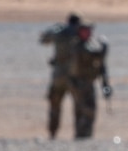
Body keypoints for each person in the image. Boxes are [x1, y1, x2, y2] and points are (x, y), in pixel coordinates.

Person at [40, 11, 83, 139]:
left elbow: (44, 39)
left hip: (58, 76)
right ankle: (79, 134)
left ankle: (53, 133)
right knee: (79, 105)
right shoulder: (78, 33)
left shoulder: (60, 32)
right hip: (74, 76)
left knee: (55, 106)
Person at [67, 23, 110, 140]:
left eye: (89, 31)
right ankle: (83, 135)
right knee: (86, 110)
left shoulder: (84, 45)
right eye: (85, 31)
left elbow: (100, 65)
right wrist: (105, 46)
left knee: (83, 109)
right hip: (81, 84)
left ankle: (83, 135)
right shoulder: (79, 47)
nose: (88, 33)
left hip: (84, 83)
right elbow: (96, 55)